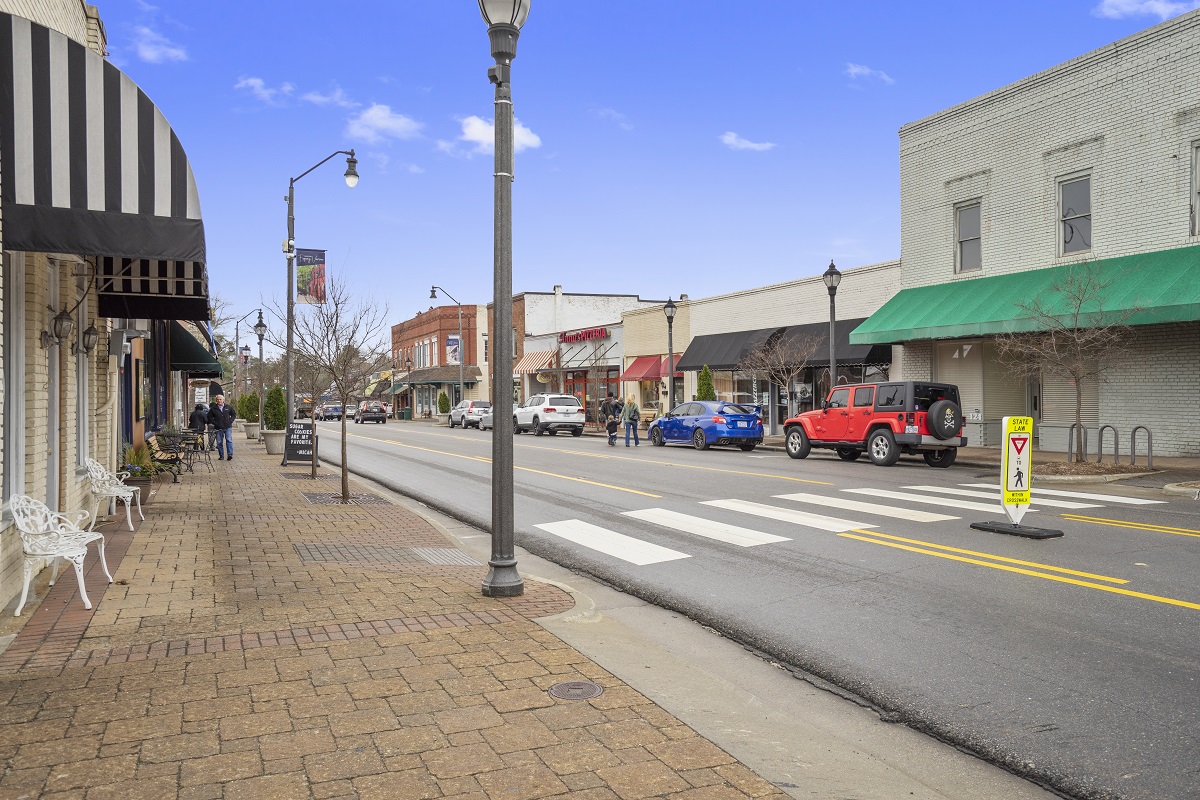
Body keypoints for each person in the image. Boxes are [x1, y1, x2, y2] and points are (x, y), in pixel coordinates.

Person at [207, 394, 237, 461]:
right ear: (216, 400)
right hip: (218, 427)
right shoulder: (213, 408)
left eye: (220, 399)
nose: (219, 400)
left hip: (227, 426)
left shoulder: (228, 407)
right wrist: (215, 423)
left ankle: (230, 454)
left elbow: (234, 414)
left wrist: (230, 421)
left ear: (223, 400)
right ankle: (221, 456)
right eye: (218, 399)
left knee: (229, 440)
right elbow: (209, 417)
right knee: (219, 442)